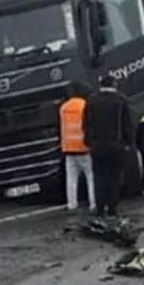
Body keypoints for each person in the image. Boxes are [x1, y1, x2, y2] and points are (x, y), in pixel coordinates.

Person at [83, 75, 135, 217]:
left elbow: (87, 125)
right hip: (116, 146)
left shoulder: (91, 101)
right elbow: (128, 125)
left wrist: (89, 142)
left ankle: (100, 208)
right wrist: (129, 142)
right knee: (115, 177)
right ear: (114, 84)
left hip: (97, 146)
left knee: (99, 177)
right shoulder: (122, 100)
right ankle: (112, 208)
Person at [59, 82, 95, 212]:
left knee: (71, 179)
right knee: (90, 177)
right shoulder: (85, 106)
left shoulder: (63, 108)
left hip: (68, 148)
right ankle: (93, 204)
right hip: (83, 147)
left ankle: (72, 204)